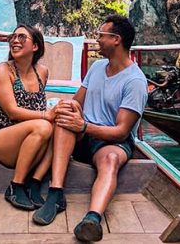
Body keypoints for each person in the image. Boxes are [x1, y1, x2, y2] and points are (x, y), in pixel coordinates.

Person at [32, 14, 147, 243]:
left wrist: (84, 125)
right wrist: (68, 108)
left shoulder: (134, 81)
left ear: (116, 39)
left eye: (101, 36)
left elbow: (121, 131)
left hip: (111, 141)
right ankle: (56, 194)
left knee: (111, 159)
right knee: (66, 117)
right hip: (83, 135)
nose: (97, 40)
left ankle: (92, 219)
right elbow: (78, 101)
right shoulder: (97, 67)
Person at [0, 25, 54, 210]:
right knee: (44, 126)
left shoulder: (42, 72)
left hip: (29, 137)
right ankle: (16, 185)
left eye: (22, 37)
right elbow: (12, 111)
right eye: (13, 37)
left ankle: (35, 183)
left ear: (35, 46)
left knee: (61, 124)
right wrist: (46, 115)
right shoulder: (3, 71)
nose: (15, 41)